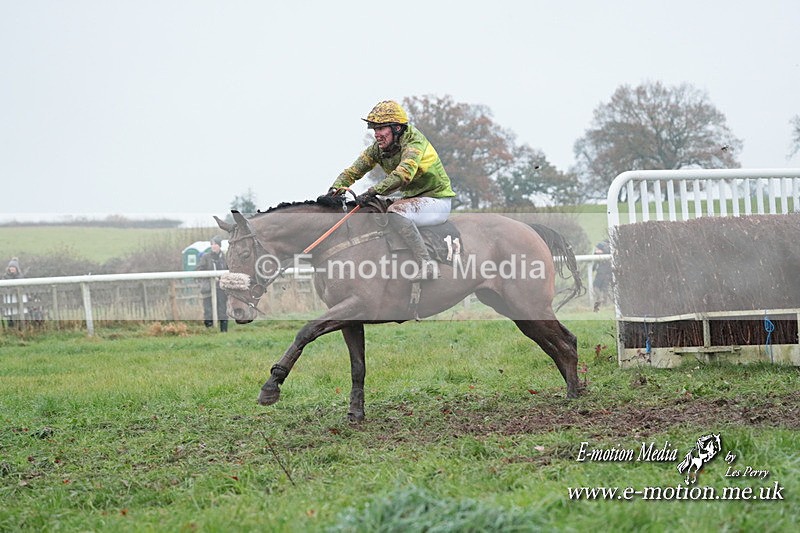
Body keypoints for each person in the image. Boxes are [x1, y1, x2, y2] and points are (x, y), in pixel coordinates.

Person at [326, 100, 456, 281]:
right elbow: (353, 172)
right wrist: (334, 191)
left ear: (397, 128)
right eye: (374, 129)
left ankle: (427, 265)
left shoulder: (414, 143)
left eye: (381, 128)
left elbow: (403, 175)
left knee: (395, 213)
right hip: (413, 199)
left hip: (437, 201)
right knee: (372, 208)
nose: (376, 134)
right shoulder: (377, 149)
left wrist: (372, 191)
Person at [196, 236, 229, 332]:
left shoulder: (225, 258)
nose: (213, 246)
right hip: (208, 288)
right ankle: (209, 331)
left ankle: (224, 331)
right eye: (212, 244)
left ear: (219, 246)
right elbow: (198, 270)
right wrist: (210, 277)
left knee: (222, 309)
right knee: (208, 310)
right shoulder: (206, 257)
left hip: (221, 288)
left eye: (215, 244)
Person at [2, 257, 25, 327]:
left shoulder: (20, 276)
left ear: (16, 268)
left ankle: (19, 326)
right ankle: (11, 327)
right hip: (8, 297)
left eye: (13, 267)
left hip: (17, 297)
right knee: (9, 312)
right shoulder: (5, 277)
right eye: (10, 267)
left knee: (18, 312)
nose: (12, 269)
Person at [592, 241, 612, 312]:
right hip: (607, 274)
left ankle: (600, 299)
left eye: (598, 249)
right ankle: (604, 303)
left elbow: (594, 266)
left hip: (601, 274)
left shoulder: (600, 255)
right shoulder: (608, 255)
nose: (596, 250)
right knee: (605, 289)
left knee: (595, 287)